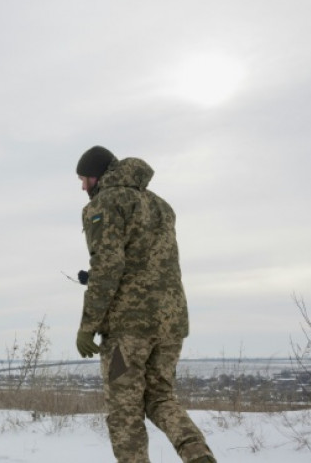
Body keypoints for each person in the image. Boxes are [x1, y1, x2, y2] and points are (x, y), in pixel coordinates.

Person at [74, 145, 216, 463]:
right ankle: (198, 457)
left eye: (85, 179)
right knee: (160, 398)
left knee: (125, 413)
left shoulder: (105, 203)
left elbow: (110, 266)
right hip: (170, 326)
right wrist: (95, 275)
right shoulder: (160, 206)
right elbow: (142, 262)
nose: (84, 187)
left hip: (129, 333)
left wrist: (87, 326)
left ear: (98, 175)